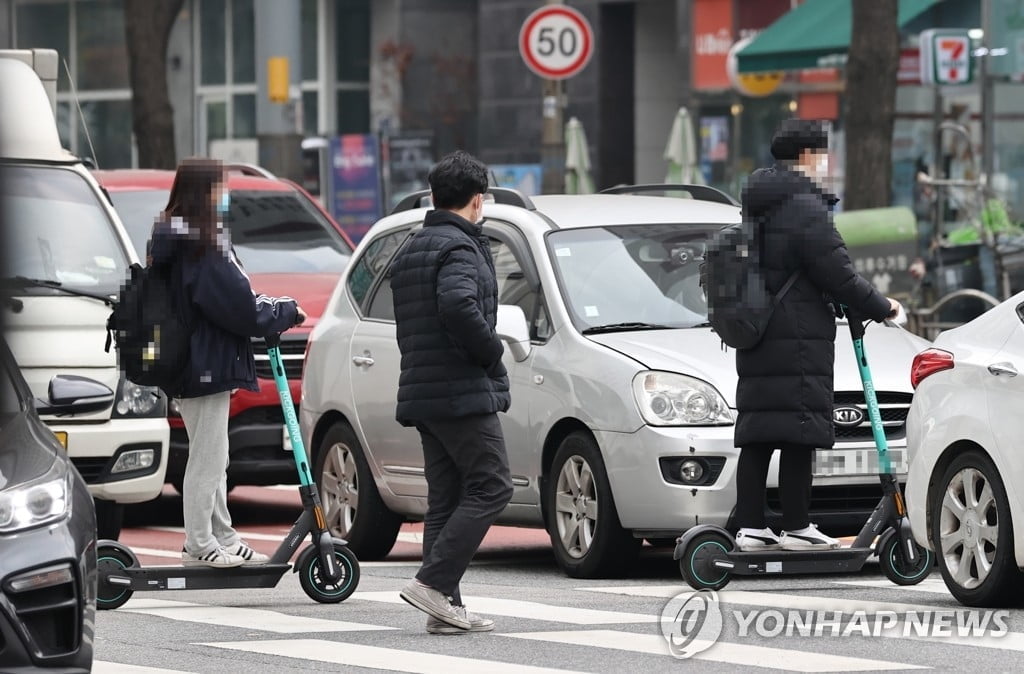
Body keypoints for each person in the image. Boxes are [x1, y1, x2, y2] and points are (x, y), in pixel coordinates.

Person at [732, 119, 900, 552]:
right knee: (798, 431)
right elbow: (837, 272)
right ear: (807, 156)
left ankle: (751, 526)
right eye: (823, 154)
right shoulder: (803, 206)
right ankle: (796, 526)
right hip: (797, 334)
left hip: (759, 328)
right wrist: (884, 308)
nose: (827, 163)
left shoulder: (759, 202)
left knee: (760, 431)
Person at [147, 158, 305, 568]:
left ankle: (223, 536)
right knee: (209, 458)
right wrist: (285, 311)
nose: (226, 194)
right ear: (205, 192)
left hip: (191, 360)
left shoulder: (181, 237)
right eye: (221, 187)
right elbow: (238, 305)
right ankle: (199, 544)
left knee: (214, 454)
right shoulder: (200, 243)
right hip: (204, 362)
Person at [389, 150, 513, 634]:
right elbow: (460, 307)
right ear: (477, 200)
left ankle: (444, 607)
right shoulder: (459, 248)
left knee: (447, 497)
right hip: (459, 389)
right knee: (492, 484)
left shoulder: (414, 246)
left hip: (425, 387)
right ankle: (434, 583)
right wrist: (492, 351)